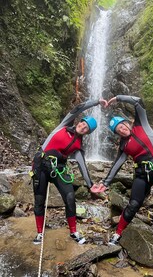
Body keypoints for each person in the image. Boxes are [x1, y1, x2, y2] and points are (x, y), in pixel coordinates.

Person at [91, 95, 153, 250]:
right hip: (142, 173)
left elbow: (138, 101)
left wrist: (118, 98)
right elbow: (117, 164)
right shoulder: (124, 145)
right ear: (117, 133)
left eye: (122, 125)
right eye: (118, 129)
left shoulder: (141, 125)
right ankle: (118, 233)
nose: (122, 129)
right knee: (133, 204)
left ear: (127, 122)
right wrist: (105, 183)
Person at [32, 98, 108, 245]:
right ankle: (39, 233)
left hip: (59, 169)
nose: (83, 127)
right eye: (83, 123)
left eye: (87, 128)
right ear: (79, 122)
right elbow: (78, 108)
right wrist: (97, 102)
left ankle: (73, 232)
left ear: (88, 133)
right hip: (41, 166)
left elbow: (82, 165)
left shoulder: (78, 145)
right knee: (39, 201)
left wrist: (90, 184)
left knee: (70, 197)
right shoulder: (64, 126)